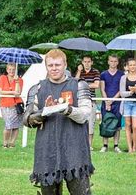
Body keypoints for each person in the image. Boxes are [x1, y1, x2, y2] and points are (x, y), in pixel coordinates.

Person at [23, 49, 94, 195]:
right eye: (50, 65)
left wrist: (66, 109)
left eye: (57, 65)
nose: (54, 68)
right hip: (47, 149)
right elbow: (27, 119)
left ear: (65, 64)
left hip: (75, 149)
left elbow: (85, 114)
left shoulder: (79, 85)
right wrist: (42, 113)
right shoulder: (38, 89)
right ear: (46, 66)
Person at [120, 58, 136, 153]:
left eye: (134, 65)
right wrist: (130, 92)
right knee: (128, 124)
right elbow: (122, 93)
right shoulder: (123, 78)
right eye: (130, 65)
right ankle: (130, 148)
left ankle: (135, 147)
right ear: (127, 66)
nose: (132, 67)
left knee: (135, 126)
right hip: (126, 103)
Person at [99, 55, 124, 153]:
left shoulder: (121, 74)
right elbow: (102, 88)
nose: (113, 63)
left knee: (117, 124)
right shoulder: (103, 74)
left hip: (117, 102)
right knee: (106, 123)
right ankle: (105, 145)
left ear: (117, 62)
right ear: (108, 62)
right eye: (111, 61)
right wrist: (107, 101)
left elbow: (121, 89)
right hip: (106, 102)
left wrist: (112, 100)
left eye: (115, 61)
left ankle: (116, 145)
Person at [75, 56, 100, 150]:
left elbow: (96, 85)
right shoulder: (79, 72)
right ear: (82, 62)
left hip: (91, 100)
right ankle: (80, 144)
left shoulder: (95, 72)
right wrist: (78, 71)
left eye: (88, 62)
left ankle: (89, 145)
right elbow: (75, 83)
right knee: (79, 121)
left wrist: (83, 86)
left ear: (92, 62)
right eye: (85, 62)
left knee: (90, 123)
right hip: (80, 100)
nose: (87, 63)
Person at [0, 63, 24, 148]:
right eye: (10, 69)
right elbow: (0, 92)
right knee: (8, 125)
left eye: (13, 70)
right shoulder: (2, 78)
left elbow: (18, 93)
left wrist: (16, 82)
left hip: (17, 105)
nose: (11, 71)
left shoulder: (20, 80)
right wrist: (11, 92)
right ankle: (5, 143)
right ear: (7, 70)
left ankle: (12, 143)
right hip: (5, 104)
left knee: (16, 125)